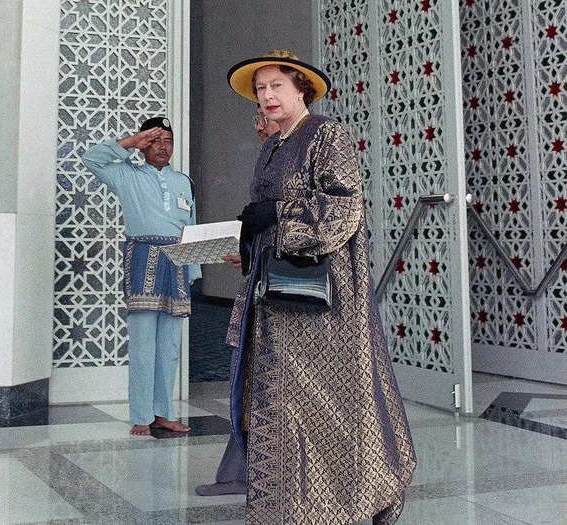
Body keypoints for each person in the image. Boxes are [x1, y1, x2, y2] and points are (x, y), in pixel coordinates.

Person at [224, 50, 417, 524]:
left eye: (276, 87)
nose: (267, 96)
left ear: (300, 89)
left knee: (319, 405)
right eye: (261, 89)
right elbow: (267, 214)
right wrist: (248, 241)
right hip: (273, 298)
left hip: (318, 303)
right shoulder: (271, 146)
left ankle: (334, 506)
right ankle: (284, 508)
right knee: (280, 403)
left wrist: (281, 216)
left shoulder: (326, 133)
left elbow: (345, 206)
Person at [83, 117, 201, 436]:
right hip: (144, 260)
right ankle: (141, 415)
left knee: (170, 345)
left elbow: (191, 226)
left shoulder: (184, 182)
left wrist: (194, 270)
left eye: (167, 141)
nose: (162, 147)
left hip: (177, 262)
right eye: (155, 140)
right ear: (144, 144)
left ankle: (164, 413)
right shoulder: (127, 175)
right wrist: (131, 142)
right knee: (143, 343)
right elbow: (91, 158)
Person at [195, 105, 279, 497]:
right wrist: (245, 251)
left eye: (265, 119)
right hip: (259, 290)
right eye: (256, 121)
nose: (260, 128)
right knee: (247, 380)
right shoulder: (266, 162)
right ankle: (242, 471)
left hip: (287, 295)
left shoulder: (305, 154)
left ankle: (268, 475)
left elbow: (323, 216)